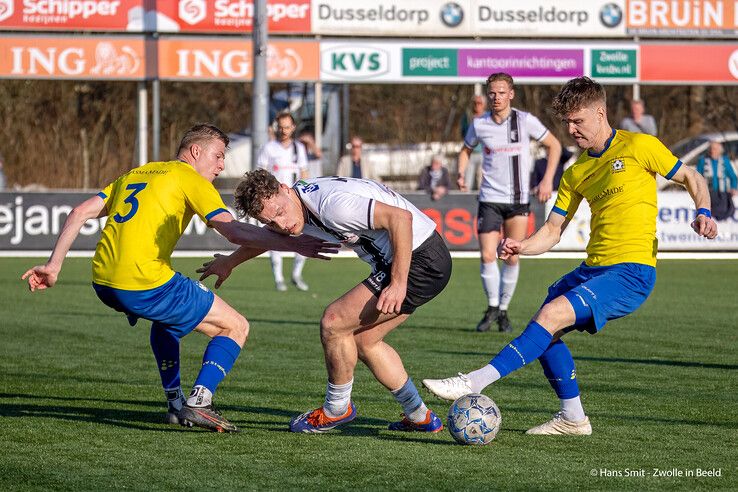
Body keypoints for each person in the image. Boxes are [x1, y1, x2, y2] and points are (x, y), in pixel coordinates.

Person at [423, 76, 717, 436]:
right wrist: (521, 246)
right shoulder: (576, 171)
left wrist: (704, 211)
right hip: (594, 269)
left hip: (632, 271)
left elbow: (690, 176)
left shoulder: (639, 146)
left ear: (600, 112)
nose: (571, 129)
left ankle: (475, 381)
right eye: (566, 123)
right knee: (546, 321)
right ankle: (573, 418)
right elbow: (551, 231)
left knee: (551, 314)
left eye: (578, 121)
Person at [22, 124, 337, 433]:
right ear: (196, 151)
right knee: (235, 326)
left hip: (103, 281)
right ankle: (200, 401)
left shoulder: (138, 173)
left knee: (167, 324)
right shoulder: (190, 179)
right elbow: (233, 230)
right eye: (217, 155)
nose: (221, 164)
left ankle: (174, 403)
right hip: (143, 281)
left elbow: (79, 212)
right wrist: (292, 243)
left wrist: (54, 266)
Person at [199, 170, 453, 434]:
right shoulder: (296, 203)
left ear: (285, 189)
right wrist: (230, 262)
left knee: (333, 322)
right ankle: (419, 415)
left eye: (280, 212)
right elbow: (269, 237)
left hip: (420, 261)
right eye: (271, 221)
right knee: (364, 342)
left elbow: (401, 219)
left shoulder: (332, 206)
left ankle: (336, 409)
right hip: (418, 260)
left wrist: (399, 283)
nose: (282, 224)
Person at [457, 72, 562, 333]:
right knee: (487, 254)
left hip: (518, 201)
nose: (496, 97)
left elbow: (555, 145)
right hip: (490, 199)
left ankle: (503, 309)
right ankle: (492, 306)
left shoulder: (525, 121)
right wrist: (461, 172)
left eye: (502, 92)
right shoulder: (479, 124)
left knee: (512, 257)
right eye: (492, 92)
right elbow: (466, 149)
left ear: (511, 94)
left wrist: (547, 180)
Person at [257, 112, 311, 292]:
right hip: (275, 201)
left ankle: (297, 274)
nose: (283, 130)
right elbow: (260, 174)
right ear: (276, 127)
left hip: (294, 200)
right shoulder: (268, 148)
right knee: (274, 238)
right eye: (280, 127)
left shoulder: (298, 148)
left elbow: (304, 173)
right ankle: (279, 278)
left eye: (287, 127)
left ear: (293, 127)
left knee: (304, 235)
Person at [697, 140, 737, 220]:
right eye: (711, 149)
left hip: (722, 193)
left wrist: (734, 188)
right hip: (708, 193)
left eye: (715, 149)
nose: (712, 151)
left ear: (720, 150)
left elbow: (733, 177)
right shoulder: (702, 160)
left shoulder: (725, 161)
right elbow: (697, 176)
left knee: (725, 212)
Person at [459, 94, 488, 190]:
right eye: (475, 103)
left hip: (484, 154)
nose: (477, 105)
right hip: (470, 154)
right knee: (467, 181)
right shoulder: (467, 117)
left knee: (482, 183)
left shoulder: (489, 117)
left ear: (484, 104)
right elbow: (463, 133)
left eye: (479, 103)